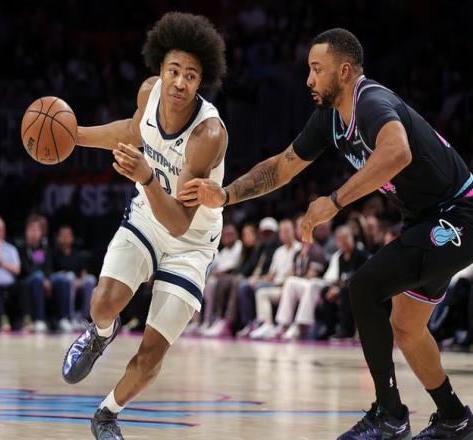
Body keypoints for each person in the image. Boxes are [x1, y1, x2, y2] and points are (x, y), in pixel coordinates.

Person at [179, 28, 473, 439]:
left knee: (365, 287)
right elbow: (282, 166)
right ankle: (456, 419)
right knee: (407, 326)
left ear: (345, 71)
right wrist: (226, 195)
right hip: (426, 219)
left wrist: (334, 202)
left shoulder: (371, 101)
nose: (309, 79)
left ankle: (389, 416)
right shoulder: (331, 120)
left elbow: (397, 152)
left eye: (317, 69)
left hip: (458, 214)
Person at [61, 12, 227, 440]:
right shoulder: (149, 93)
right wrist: (74, 135)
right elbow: (133, 131)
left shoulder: (207, 135)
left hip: (191, 242)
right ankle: (101, 334)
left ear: (201, 82)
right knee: (102, 303)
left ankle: (106, 414)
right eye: (174, 70)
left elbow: (180, 223)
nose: (180, 82)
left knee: (151, 354)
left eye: (191, 75)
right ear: (160, 68)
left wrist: (147, 177)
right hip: (148, 218)